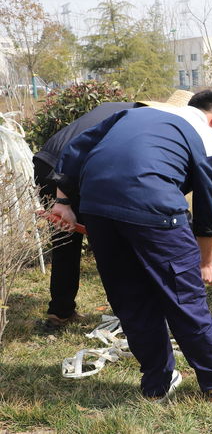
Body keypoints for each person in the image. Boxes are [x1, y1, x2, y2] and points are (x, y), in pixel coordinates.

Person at [51, 91, 212, 409]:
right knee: (184, 298)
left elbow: (75, 150)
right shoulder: (207, 136)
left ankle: (156, 384)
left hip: (96, 207)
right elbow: (209, 212)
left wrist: (63, 202)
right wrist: (205, 263)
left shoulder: (133, 114)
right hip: (155, 208)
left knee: (130, 298)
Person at [32, 90, 194, 330]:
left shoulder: (124, 108)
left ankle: (60, 312)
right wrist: (63, 200)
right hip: (67, 172)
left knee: (66, 241)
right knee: (111, 242)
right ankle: (131, 315)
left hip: (47, 163)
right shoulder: (140, 123)